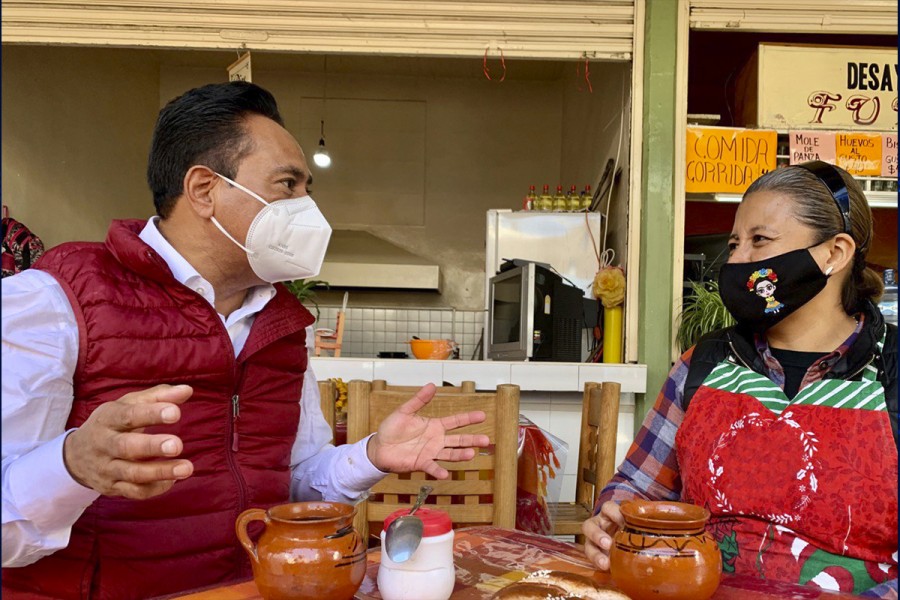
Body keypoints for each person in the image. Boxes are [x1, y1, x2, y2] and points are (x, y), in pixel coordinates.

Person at [1, 81, 490, 599]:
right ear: (204, 190)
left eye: (308, 190)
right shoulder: (55, 302)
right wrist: (72, 463)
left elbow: (291, 483)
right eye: (288, 185)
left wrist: (370, 456)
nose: (309, 210)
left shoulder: (280, 324)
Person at [583, 162, 897, 598]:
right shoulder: (703, 365)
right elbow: (636, 486)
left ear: (835, 253)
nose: (736, 260)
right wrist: (611, 520)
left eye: (759, 241)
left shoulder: (891, 372)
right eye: (734, 244)